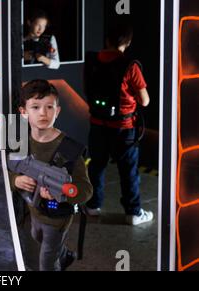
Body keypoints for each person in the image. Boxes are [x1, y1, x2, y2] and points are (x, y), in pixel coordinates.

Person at [8, 79, 92, 271]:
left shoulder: (70, 150)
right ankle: (64, 255)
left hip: (57, 217)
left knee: (47, 262)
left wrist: (65, 193)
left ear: (58, 111)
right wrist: (16, 180)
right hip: (36, 211)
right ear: (23, 112)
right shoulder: (21, 142)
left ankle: (58, 258)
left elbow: (86, 190)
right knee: (37, 235)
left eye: (49, 107)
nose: (43, 113)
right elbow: (9, 169)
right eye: (35, 107)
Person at [83, 23, 152, 225]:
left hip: (97, 124)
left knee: (96, 166)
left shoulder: (91, 60)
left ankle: (93, 206)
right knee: (128, 170)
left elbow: (87, 89)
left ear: (107, 40)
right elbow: (145, 100)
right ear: (128, 42)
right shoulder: (130, 65)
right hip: (123, 128)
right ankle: (133, 212)